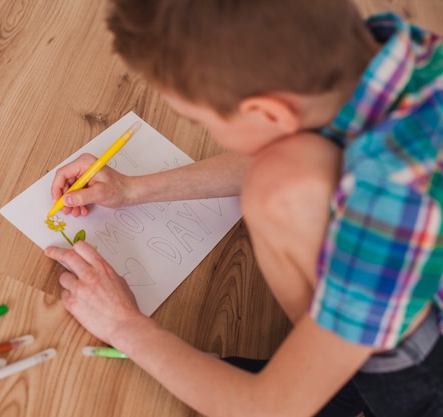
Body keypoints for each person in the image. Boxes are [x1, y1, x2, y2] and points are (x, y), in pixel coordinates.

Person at [44, 0, 443, 416]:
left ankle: (335, 386)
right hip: (413, 280)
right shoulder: (402, 56)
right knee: (290, 166)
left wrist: (124, 325)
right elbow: (300, 137)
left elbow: (269, 408)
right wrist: (132, 190)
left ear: (268, 112)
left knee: (278, 184)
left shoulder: (386, 200)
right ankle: (330, 372)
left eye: (199, 120)